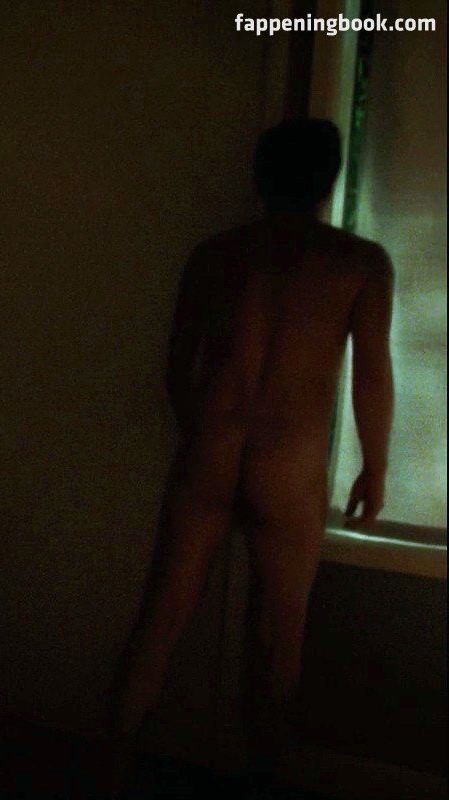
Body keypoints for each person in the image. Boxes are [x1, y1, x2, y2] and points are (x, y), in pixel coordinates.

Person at [99, 117, 394, 794]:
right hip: (287, 463)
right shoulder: (358, 262)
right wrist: (374, 467)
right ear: (329, 181)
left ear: (260, 177)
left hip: (213, 448)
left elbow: (178, 364)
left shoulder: (216, 255)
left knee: (159, 625)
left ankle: (107, 774)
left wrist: (199, 431)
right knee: (277, 644)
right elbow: (373, 376)